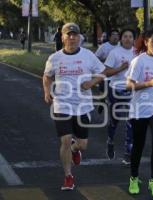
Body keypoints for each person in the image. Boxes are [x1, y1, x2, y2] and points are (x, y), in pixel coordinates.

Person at [43, 22, 106, 191]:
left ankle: (75, 149)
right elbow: (47, 76)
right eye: (68, 35)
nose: (72, 37)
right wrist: (47, 92)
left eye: (75, 35)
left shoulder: (88, 56)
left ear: (79, 37)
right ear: (62, 37)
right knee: (64, 140)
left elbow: (102, 72)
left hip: (83, 106)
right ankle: (68, 176)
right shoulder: (55, 58)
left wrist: (91, 82)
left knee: (83, 144)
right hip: (62, 105)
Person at [126, 29, 153, 198]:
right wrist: (149, 83)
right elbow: (129, 85)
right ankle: (134, 178)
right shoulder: (138, 61)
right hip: (140, 109)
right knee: (138, 145)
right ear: (146, 42)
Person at [103, 29, 136, 164]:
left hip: (132, 91)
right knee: (114, 120)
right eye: (125, 36)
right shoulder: (114, 53)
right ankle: (110, 139)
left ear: (134, 39)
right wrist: (120, 68)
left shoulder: (137, 53)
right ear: (121, 39)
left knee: (131, 122)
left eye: (130, 36)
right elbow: (106, 72)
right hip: (116, 90)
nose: (128, 39)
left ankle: (128, 153)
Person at [94, 29, 120, 114]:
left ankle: (113, 110)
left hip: (117, 75)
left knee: (112, 95)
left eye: (117, 35)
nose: (115, 37)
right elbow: (95, 58)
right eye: (113, 35)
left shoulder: (121, 46)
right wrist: (106, 59)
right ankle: (102, 101)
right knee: (104, 93)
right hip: (105, 73)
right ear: (109, 37)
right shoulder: (104, 47)